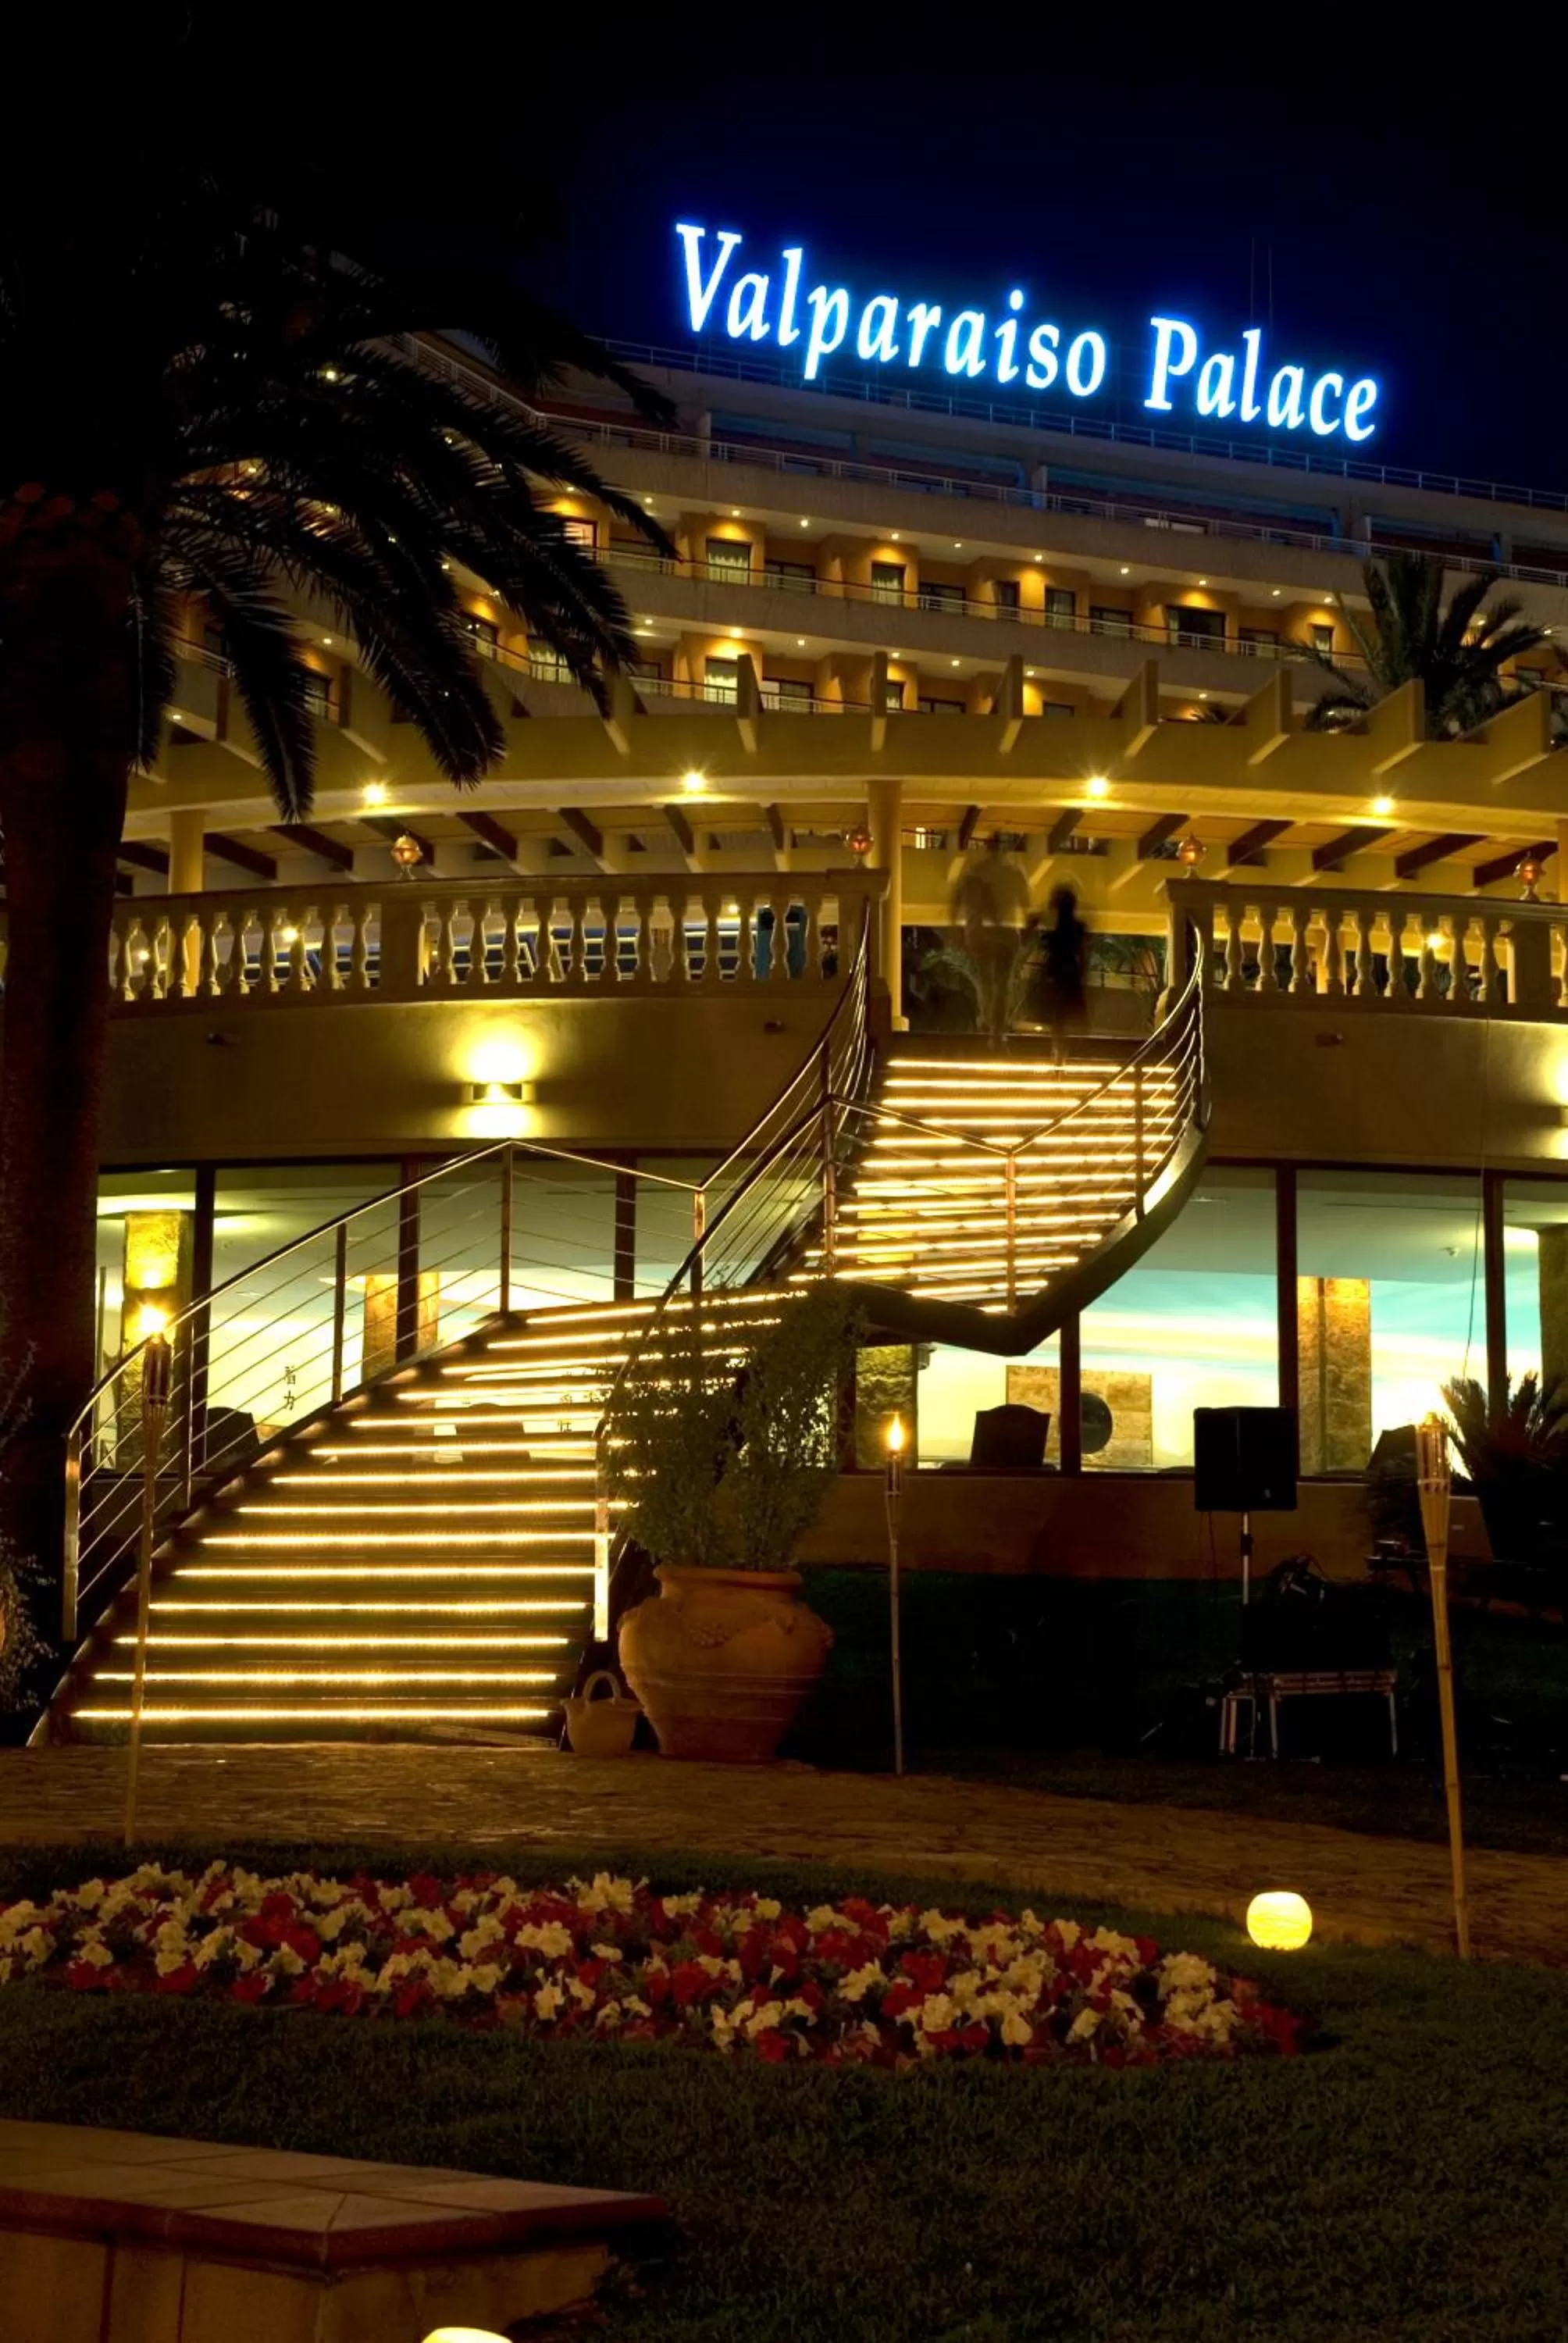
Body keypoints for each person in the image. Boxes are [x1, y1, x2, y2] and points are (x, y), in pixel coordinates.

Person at [950, 835, 1030, 1048]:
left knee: (985, 980)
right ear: (1005, 848)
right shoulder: (1015, 872)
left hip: (979, 932)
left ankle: (987, 1022)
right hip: (1007, 932)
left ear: (987, 848)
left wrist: (957, 928)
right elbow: (1026, 904)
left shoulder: (975, 870)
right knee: (1003, 983)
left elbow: (957, 899)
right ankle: (998, 1029)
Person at [1039, 884, 1089, 1065]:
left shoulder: (1053, 929)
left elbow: (1045, 952)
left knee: (1058, 1020)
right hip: (1068, 974)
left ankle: (1058, 1055)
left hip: (1057, 974)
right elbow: (1083, 955)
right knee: (1061, 1020)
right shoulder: (1076, 928)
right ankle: (1060, 1055)